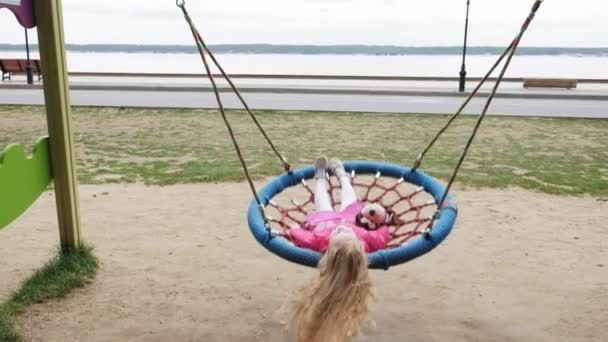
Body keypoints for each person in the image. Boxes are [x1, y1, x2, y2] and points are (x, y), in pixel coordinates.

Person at [287, 158, 390, 342]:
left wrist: (293, 229)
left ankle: (320, 177)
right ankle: (341, 174)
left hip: (323, 220)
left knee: (322, 202)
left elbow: (303, 237)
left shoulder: (321, 240)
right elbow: (381, 237)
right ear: (358, 244)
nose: (341, 229)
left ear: (330, 248)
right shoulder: (364, 239)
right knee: (350, 201)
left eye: (339, 234)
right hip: (352, 217)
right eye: (347, 233)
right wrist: (385, 223)